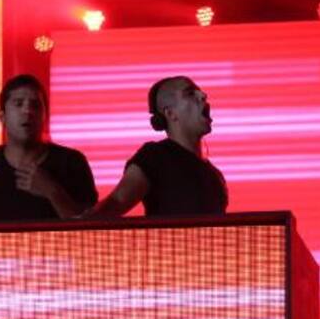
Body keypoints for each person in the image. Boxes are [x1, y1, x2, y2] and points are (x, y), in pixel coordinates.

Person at [0, 74, 97, 221]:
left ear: (45, 116)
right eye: (19, 104)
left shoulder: (72, 163)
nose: (27, 111)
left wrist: (52, 191)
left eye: (35, 105)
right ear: (2, 116)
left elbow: (92, 227)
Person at [84, 76, 227, 217]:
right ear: (170, 113)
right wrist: (79, 223)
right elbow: (118, 201)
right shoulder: (155, 157)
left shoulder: (214, 174)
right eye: (190, 93)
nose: (203, 95)